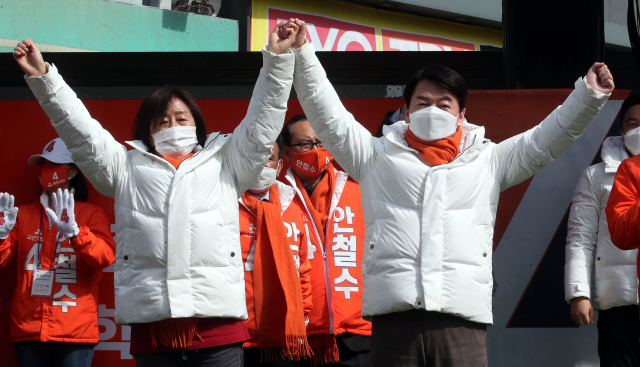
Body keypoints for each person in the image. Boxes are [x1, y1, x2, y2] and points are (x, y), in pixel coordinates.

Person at [284, 19, 614, 366]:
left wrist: (587, 95)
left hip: (461, 322)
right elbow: (328, 116)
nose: (433, 109)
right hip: (394, 323)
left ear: (462, 115)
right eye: (423, 102)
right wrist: (303, 53)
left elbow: (546, 139)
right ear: (406, 111)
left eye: (445, 103)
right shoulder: (375, 155)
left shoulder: (488, 159)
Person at [13, 20, 301, 367]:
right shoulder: (124, 167)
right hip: (152, 331)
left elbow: (263, 121)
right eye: (162, 121)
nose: (173, 126)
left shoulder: (226, 162)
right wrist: (45, 78)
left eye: (182, 118)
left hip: (217, 331)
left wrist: (278, 60)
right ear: (147, 132)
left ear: (196, 124)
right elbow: (81, 132)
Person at [0, 138, 116, 367]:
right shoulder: (20, 215)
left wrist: (76, 233)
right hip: (28, 328)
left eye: (54, 164)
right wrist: (1, 236)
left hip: (74, 331)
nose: (46, 170)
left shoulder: (91, 214)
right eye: (43, 164)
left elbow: (105, 257)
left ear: (72, 170)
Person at [281, 114, 372, 366]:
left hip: (356, 336)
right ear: (287, 153)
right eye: (305, 144)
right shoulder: (276, 198)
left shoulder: (359, 189)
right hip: (295, 339)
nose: (316, 150)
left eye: (321, 142)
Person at [566, 94, 640, 367]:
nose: (639, 130)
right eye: (633, 123)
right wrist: (579, 293)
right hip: (618, 307)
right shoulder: (595, 176)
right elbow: (580, 238)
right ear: (622, 131)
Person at [239, 137, 313, 365]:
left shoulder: (294, 206)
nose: (261, 164)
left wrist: (302, 317)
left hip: (286, 337)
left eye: (269, 158)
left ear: (279, 166)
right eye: (254, 157)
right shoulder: (223, 205)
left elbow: (303, 271)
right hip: (237, 339)